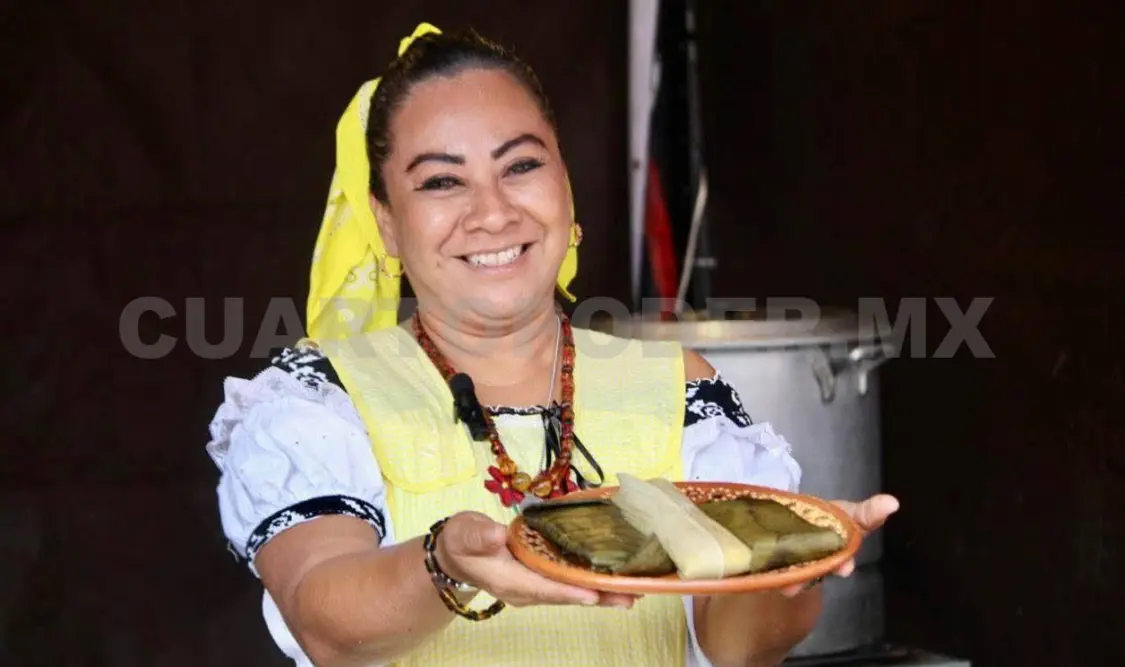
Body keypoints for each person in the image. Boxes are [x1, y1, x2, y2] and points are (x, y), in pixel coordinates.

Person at [206, 22, 899, 667]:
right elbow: (324, 620)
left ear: (565, 185)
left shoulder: (676, 386)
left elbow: (736, 647)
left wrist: (786, 569)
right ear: (385, 223)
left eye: (521, 166)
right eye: (442, 181)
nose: (492, 211)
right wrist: (445, 562)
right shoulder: (321, 400)